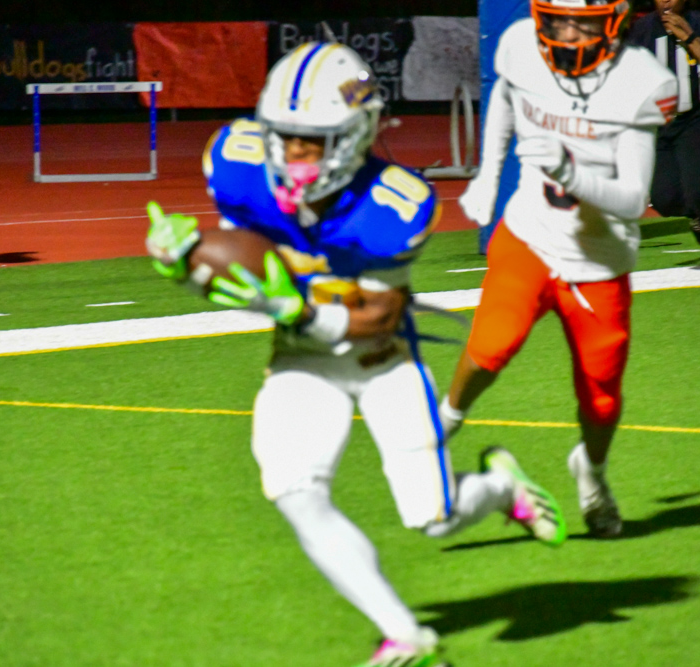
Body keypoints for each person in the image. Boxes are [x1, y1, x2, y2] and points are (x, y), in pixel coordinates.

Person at [145, 42, 566, 667]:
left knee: (434, 518)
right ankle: (407, 636)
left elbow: (381, 315)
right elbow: (244, 261)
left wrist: (300, 309)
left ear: (354, 135)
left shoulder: (394, 202)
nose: (292, 152)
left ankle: (502, 487)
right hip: (302, 359)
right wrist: (181, 262)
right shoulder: (235, 162)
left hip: (382, 359)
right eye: (283, 135)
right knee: (294, 490)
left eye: (311, 140)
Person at [443, 0, 679, 539]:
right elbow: (506, 96)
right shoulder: (522, 45)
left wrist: (569, 171)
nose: (567, 33)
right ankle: (439, 429)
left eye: (582, 21)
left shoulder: (641, 81)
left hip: (598, 260)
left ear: (614, 21)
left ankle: (591, 473)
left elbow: (632, 199)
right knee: (490, 346)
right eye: (556, 19)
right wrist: (488, 174)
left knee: (601, 398)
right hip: (529, 236)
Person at [627, 0, 700, 279]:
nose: (666, 0)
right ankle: (694, 214)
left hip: (696, 119)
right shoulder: (641, 30)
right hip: (657, 123)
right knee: (662, 199)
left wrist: (689, 37)